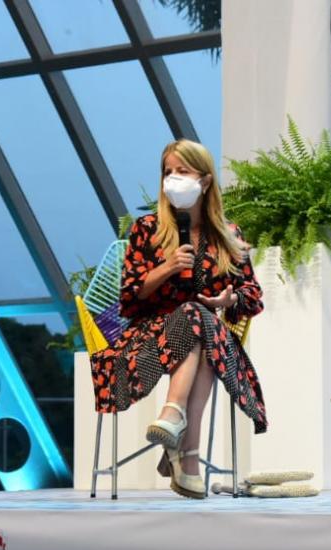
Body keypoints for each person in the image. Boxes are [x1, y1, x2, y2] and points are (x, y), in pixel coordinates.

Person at [90, 139, 268, 499]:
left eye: (182, 171)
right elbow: (130, 294)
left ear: (204, 182)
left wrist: (228, 297)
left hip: (210, 338)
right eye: (167, 172)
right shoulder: (148, 230)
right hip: (148, 339)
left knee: (200, 320)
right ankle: (188, 453)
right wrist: (167, 268)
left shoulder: (229, 236)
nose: (172, 179)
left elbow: (252, 294)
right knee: (195, 318)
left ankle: (176, 423)